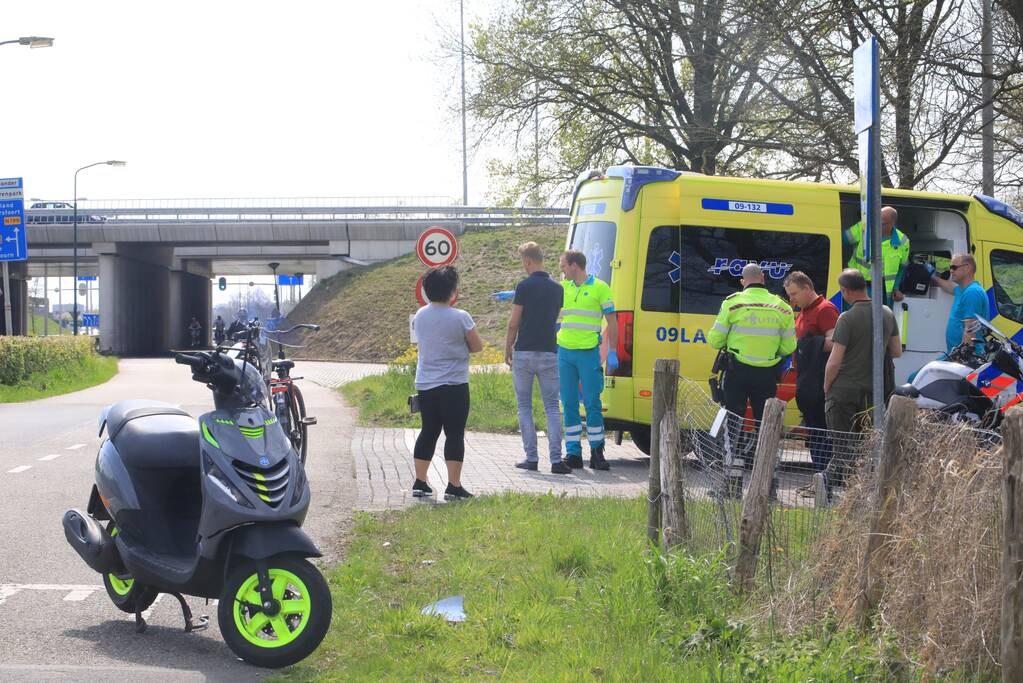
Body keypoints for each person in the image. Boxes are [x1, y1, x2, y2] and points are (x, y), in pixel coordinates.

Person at [821, 269, 903, 490]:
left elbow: (834, 360)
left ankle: (846, 493)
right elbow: (896, 351)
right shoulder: (886, 313)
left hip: (844, 391)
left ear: (845, 291)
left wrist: (827, 386)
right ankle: (864, 491)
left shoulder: (846, 318)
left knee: (843, 446)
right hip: (874, 393)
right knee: (868, 445)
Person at [708, 262, 796, 464]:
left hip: (736, 371)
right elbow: (788, 347)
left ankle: (732, 468)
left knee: (733, 419)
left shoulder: (732, 303)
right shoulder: (783, 307)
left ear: (742, 282)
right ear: (763, 278)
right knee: (765, 422)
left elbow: (715, 340)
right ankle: (765, 468)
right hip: (766, 374)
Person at [410, 266, 484, 500]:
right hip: (454, 385)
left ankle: (420, 482)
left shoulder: (420, 315)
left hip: (426, 383)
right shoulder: (461, 317)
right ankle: (453, 485)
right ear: (453, 291)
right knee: (454, 433)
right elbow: (477, 346)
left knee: (428, 431)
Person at [505, 242, 569, 474]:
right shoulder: (557, 289)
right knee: (552, 406)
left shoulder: (524, 286)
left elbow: (514, 322)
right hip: (549, 352)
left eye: (523, 261)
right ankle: (556, 460)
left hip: (524, 352)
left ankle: (531, 458)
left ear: (529, 261)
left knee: (525, 406)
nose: (523, 265)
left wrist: (507, 348)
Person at [557, 249, 617, 470]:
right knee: (569, 403)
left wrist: (612, 352)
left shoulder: (600, 287)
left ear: (574, 265)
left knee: (592, 404)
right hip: (565, 352)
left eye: (563, 266)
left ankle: (596, 452)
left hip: (589, 353)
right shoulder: (563, 287)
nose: (561, 270)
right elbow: (543, 297)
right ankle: (573, 453)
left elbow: (612, 320)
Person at [782, 271, 838, 496]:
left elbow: (836, 343)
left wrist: (806, 344)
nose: (791, 300)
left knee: (822, 434)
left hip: (818, 381)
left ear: (807, 288)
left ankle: (824, 485)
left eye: (794, 294)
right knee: (814, 434)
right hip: (806, 378)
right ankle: (818, 481)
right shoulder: (804, 311)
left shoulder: (825, 310)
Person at [843, 205, 910, 306]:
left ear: (892, 223)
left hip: (883, 293)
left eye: (881, 223)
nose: (876, 224)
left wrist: (896, 288)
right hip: (856, 287)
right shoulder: (864, 227)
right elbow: (840, 239)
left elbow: (903, 266)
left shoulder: (903, 241)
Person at [930, 253, 987, 355]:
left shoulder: (972, 293)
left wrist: (961, 356)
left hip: (966, 357)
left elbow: (970, 330)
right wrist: (933, 277)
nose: (951, 271)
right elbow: (950, 287)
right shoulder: (963, 290)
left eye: (954, 267)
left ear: (968, 268)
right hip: (956, 354)